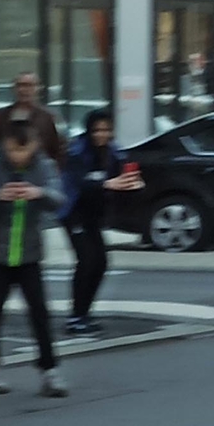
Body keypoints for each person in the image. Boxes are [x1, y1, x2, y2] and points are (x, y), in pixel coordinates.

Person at [0, 109, 66, 398]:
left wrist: (38, 193)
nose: (17, 155)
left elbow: (58, 198)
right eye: (12, 149)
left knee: (39, 312)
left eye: (23, 149)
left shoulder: (44, 166)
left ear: (36, 144)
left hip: (29, 253)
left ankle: (49, 371)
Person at [60, 109, 133, 336]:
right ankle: (76, 316)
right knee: (87, 260)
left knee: (100, 262)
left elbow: (120, 177)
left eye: (106, 130)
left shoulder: (113, 152)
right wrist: (107, 183)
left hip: (93, 214)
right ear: (89, 131)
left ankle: (84, 312)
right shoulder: (77, 151)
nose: (102, 135)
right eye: (97, 130)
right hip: (74, 211)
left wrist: (130, 182)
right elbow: (80, 181)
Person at [9, 72, 66, 163]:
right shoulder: (1, 116)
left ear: (38, 88)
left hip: (41, 171)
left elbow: (60, 148)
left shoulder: (49, 117)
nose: (23, 90)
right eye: (20, 85)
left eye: (29, 86)